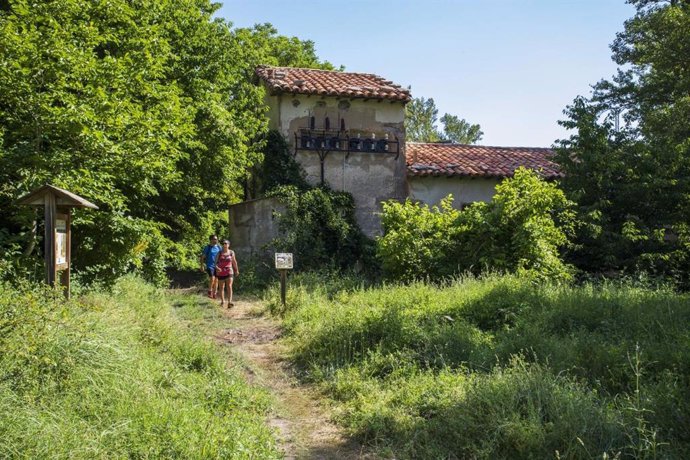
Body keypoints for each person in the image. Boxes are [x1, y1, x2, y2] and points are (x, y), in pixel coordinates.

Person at [214, 239, 239, 307]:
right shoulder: (219, 253)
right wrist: (217, 268)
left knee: (229, 286)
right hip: (220, 272)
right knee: (221, 287)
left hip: (229, 271)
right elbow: (215, 264)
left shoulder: (231, 252)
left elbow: (234, 262)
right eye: (223, 243)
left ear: (228, 245)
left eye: (226, 243)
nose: (224, 244)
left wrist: (236, 270)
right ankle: (222, 302)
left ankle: (230, 302)